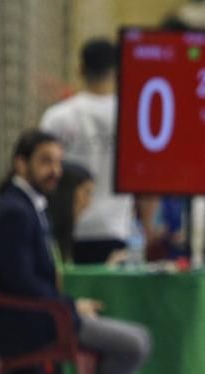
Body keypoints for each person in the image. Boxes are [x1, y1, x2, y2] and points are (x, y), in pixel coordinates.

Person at [0, 130, 151, 374]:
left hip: (41, 314)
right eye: (45, 161)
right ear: (20, 163)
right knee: (136, 343)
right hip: (25, 322)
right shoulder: (14, 212)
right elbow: (19, 282)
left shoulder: (31, 207)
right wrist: (68, 307)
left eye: (59, 162)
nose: (55, 171)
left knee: (134, 340)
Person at [40, 38, 145, 265]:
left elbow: (40, 173)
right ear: (118, 70)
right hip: (116, 229)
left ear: (80, 69)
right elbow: (146, 179)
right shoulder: (134, 116)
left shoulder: (58, 116)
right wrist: (149, 228)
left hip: (68, 230)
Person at [46, 162, 96, 264]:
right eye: (87, 193)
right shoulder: (46, 234)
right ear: (67, 192)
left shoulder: (63, 234)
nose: (88, 202)